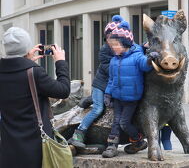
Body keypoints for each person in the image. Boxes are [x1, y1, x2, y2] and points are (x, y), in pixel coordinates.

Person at [0, 27, 70, 168]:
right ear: (27, 47)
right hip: (35, 146)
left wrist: (26, 61)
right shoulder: (34, 73)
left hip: (8, 146)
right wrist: (60, 62)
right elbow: (63, 90)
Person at [102, 21, 159, 158]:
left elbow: (145, 66)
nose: (113, 48)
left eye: (116, 45)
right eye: (112, 45)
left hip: (131, 98)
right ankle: (112, 146)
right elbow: (111, 79)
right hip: (117, 97)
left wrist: (150, 59)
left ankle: (138, 140)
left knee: (124, 123)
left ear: (125, 44)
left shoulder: (136, 56)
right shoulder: (114, 60)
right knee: (115, 122)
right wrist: (108, 94)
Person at [68, 15, 124, 148]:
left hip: (112, 87)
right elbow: (110, 69)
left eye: (116, 37)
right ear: (107, 37)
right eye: (111, 37)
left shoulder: (123, 49)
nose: (113, 40)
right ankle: (79, 132)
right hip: (101, 85)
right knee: (98, 109)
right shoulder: (105, 50)